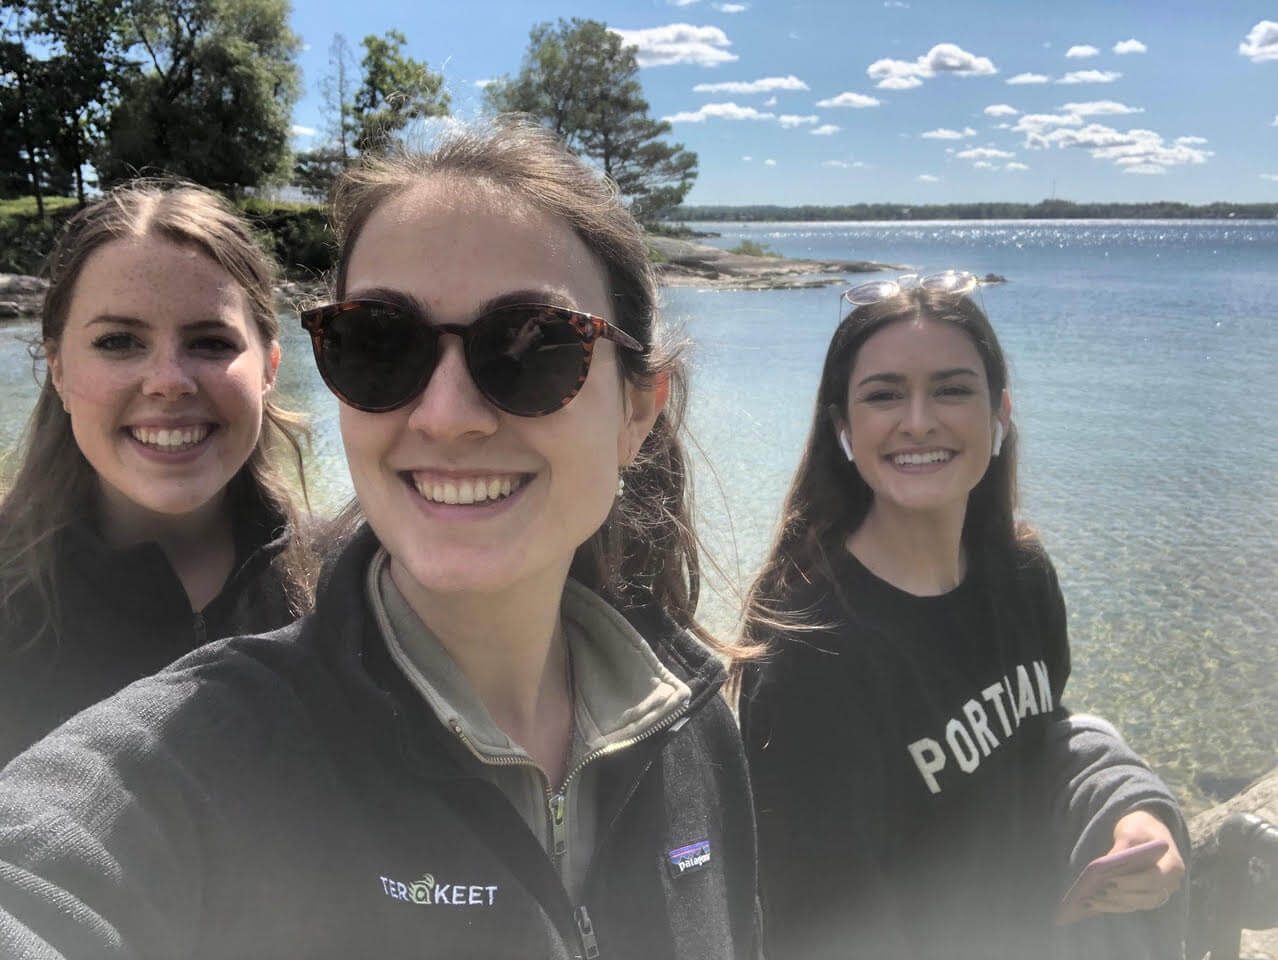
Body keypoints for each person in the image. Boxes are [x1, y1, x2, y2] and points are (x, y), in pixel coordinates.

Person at [0, 119, 760, 959]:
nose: (446, 415)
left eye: (533, 347)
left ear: (637, 411)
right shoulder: (205, 750)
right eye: (378, 346)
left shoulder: (693, 725)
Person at [736, 275, 1187, 959]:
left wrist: (1130, 811)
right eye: (884, 394)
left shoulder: (1022, 575)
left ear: (999, 413)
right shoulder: (809, 652)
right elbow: (820, 929)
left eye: (951, 389)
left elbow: (1039, 743)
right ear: (842, 428)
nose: (918, 420)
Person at [0, 181, 313, 767]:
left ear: (270, 368)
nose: (169, 380)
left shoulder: (346, 588)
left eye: (211, 342)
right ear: (58, 368)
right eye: (119, 341)